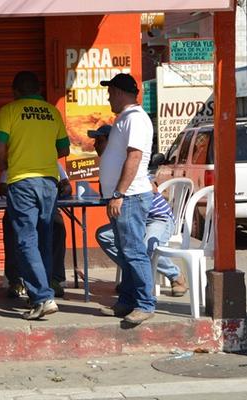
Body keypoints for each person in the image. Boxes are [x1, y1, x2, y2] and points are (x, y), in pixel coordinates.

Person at [0, 71, 70, 320]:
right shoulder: (52, 112)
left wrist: (6, 164)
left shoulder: (9, 111)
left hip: (22, 182)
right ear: (39, 89)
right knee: (44, 238)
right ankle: (44, 292)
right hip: (49, 182)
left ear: (15, 91)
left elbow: (0, 148)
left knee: (25, 240)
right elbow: (64, 148)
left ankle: (42, 297)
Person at [89, 126, 188, 298]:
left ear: (111, 143)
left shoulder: (125, 161)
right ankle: (136, 276)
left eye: (99, 141)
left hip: (157, 218)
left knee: (142, 246)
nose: (94, 145)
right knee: (104, 235)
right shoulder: (109, 166)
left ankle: (175, 275)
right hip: (134, 219)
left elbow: (152, 187)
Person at [97, 73, 156, 325]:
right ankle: (127, 301)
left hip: (129, 196)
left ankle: (145, 303)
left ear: (120, 93)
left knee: (133, 251)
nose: (108, 97)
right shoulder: (125, 119)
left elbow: (133, 158)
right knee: (126, 250)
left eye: (110, 92)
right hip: (122, 197)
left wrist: (119, 193)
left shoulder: (136, 119)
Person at [0, 162, 71, 298]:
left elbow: (67, 185)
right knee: (10, 223)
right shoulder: (15, 161)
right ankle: (16, 280)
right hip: (20, 205)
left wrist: (64, 188)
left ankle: (54, 279)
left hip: (46, 205)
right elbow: (2, 188)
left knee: (58, 225)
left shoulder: (54, 163)